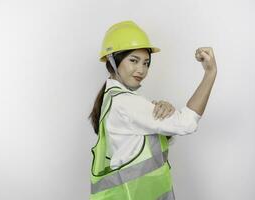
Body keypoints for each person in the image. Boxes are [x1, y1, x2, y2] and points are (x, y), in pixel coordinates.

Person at [88, 20, 217, 200]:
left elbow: (151, 140)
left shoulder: (113, 100)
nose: (141, 70)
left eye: (146, 63)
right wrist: (210, 73)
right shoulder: (125, 103)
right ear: (112, 60)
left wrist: (166, 112)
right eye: (134, 60)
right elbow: (186, 123)